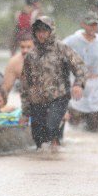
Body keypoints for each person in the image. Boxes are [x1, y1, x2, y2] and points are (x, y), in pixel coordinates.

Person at [20, 16, 87, 149]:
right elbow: (25, 84)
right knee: (39, 141)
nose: (41, 34)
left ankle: (57, 150)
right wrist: (25, 112)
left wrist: (78, 84)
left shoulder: (62, 48)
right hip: (37, 101)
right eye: (38, 31)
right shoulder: (31, 55)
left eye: (45, 30)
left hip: (58, 98)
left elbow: (80, 67)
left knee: (51, 127)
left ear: (51, 31)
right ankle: (46, 164)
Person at [62, 11, 98, 132]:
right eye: (90, 24)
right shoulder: (71, 41)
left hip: (97, 85)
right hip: (76, 84)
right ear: (83, 24)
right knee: (75, 121)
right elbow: (58, 58)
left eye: (95, 24)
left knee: (95, 121)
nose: (93, 27)